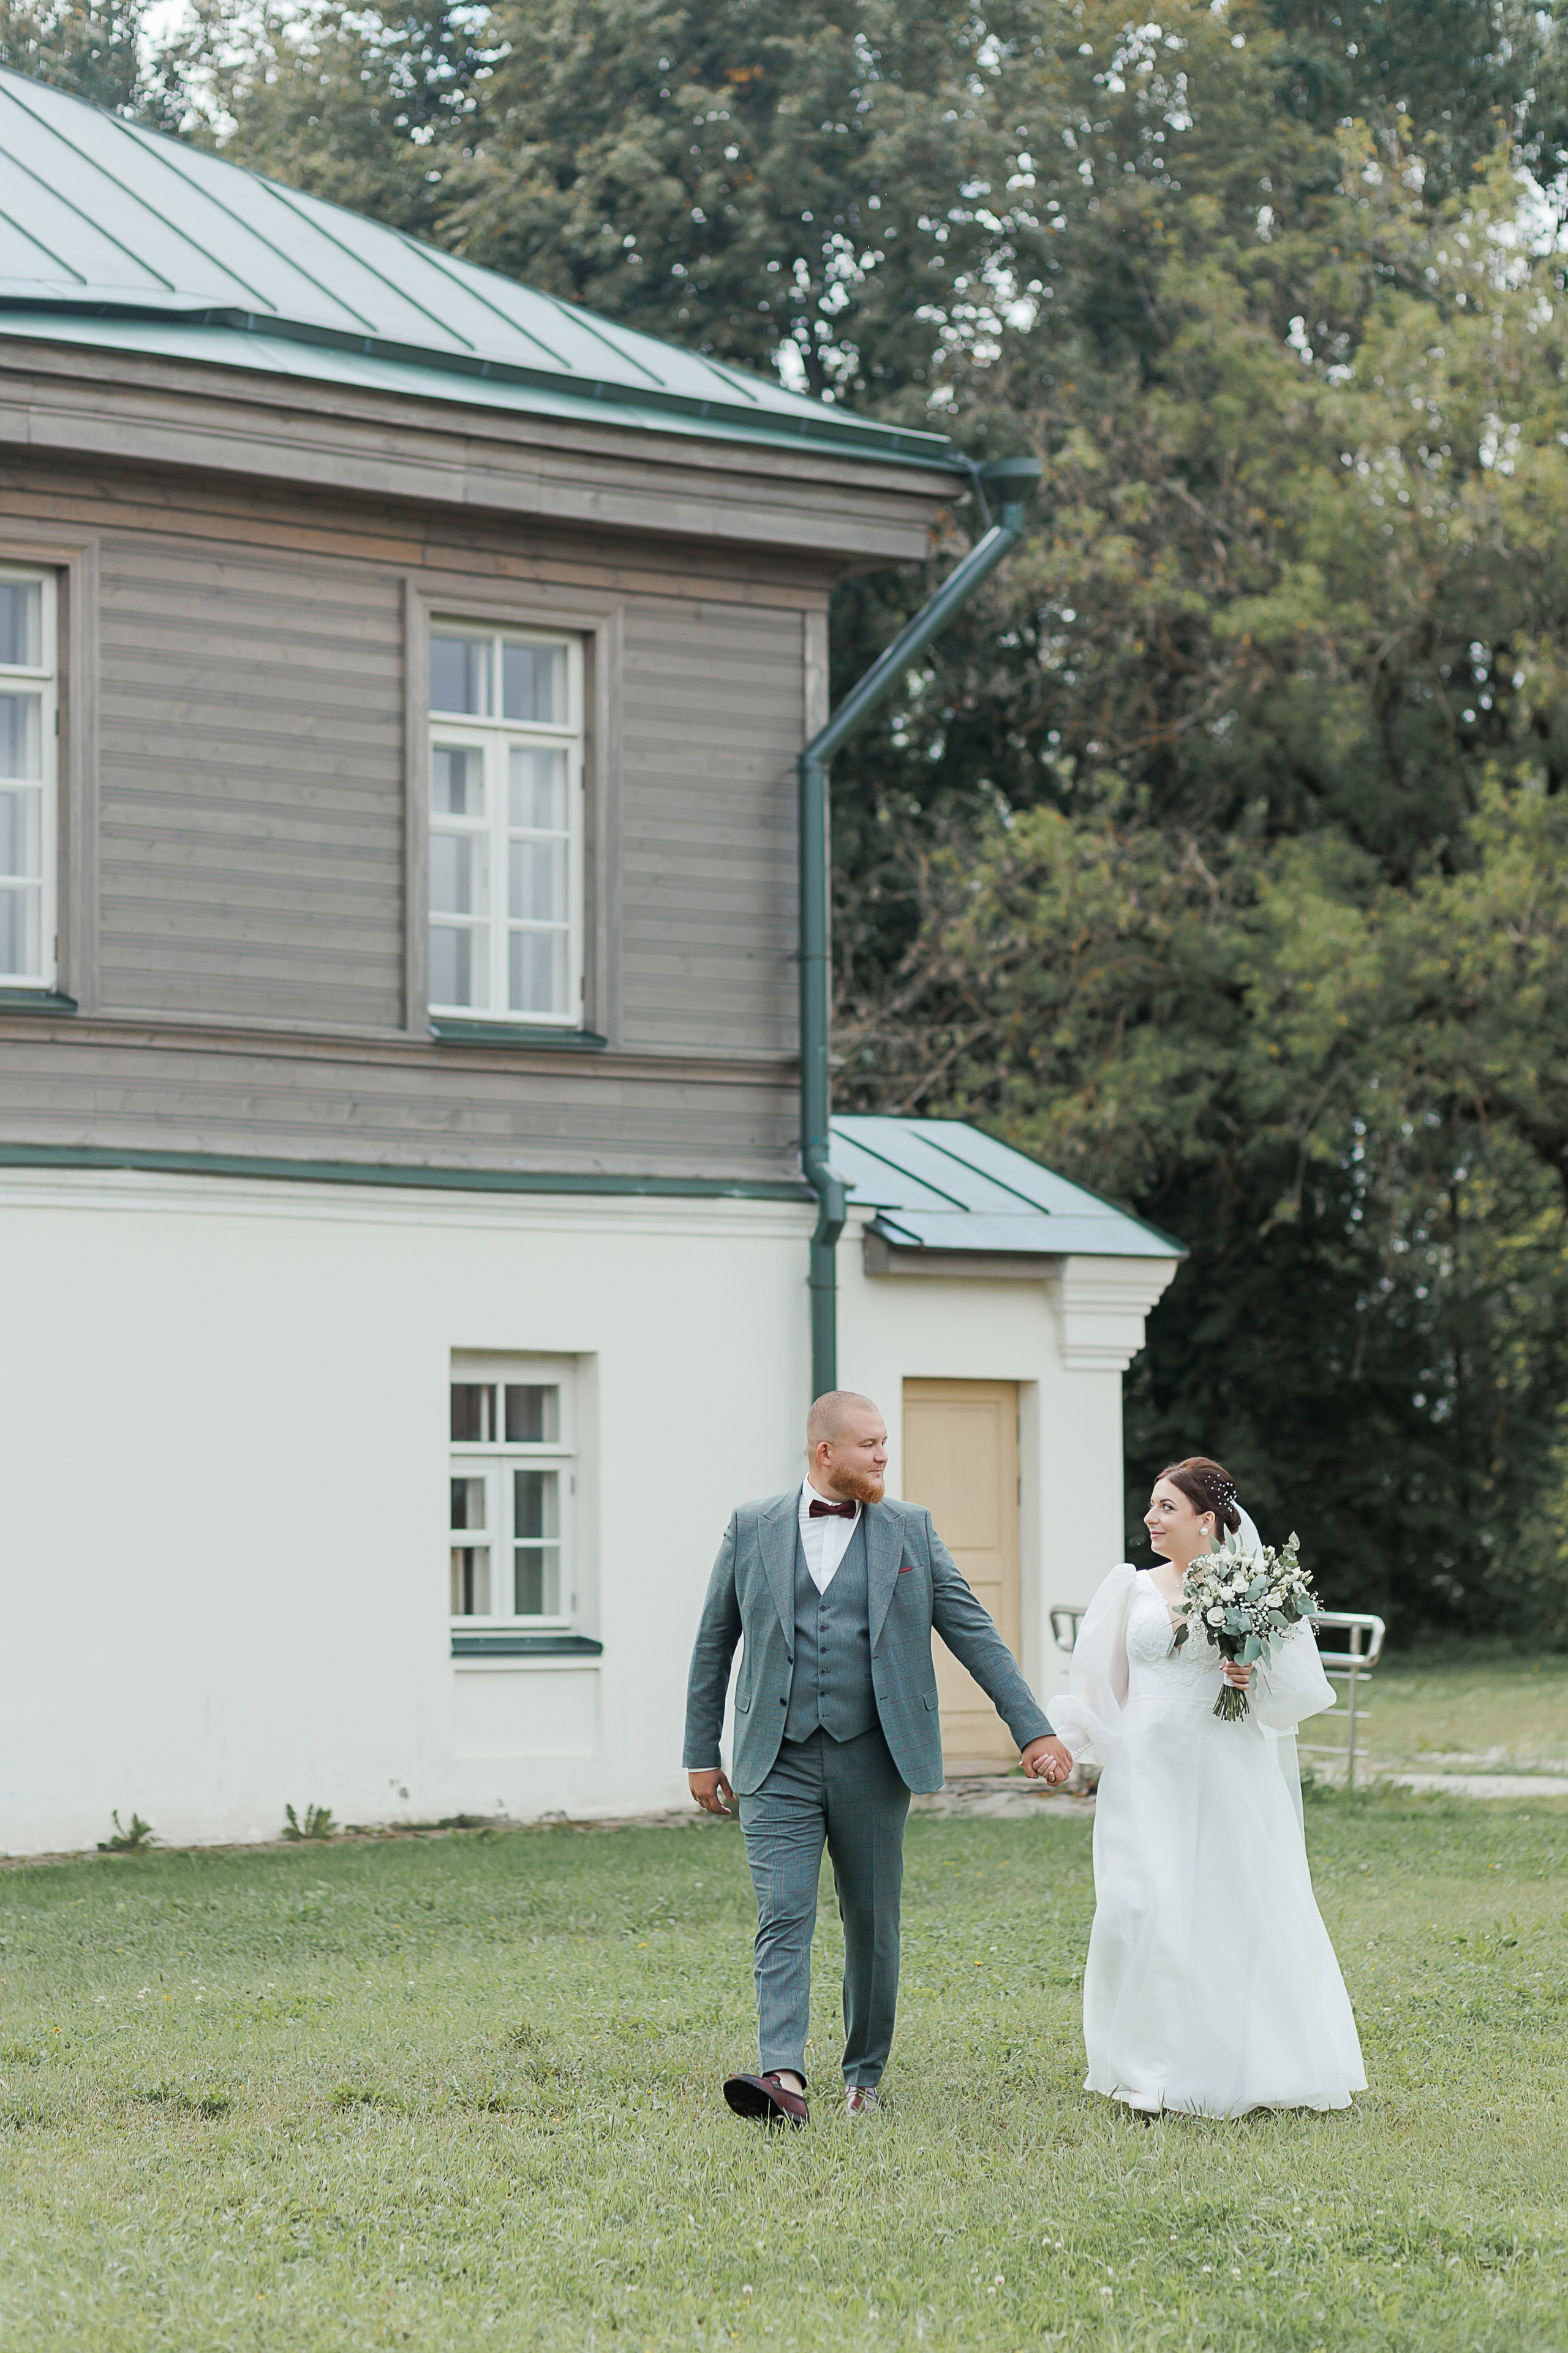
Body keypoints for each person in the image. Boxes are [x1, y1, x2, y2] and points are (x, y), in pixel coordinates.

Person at [684, 1389, 1072, 2128]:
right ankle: (784, 2077)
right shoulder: (751, 1525)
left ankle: (862, 2076)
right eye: (868, 1445)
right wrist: (701, 1752)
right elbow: (714, 1642)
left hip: (875, 1757)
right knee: (782, 1914)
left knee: (870, 1921)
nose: (882, 1456)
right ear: (824, 1452)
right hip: (775, 1756)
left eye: (885, 1443)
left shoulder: (910, 1531)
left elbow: (974, 1633)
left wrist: (1034, 1729)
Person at [1048, 1456, 1367, 2118]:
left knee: (1226, 1903)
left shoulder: (1253, 1587)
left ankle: (1226, 2066)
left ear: (1206, 1519)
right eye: (1152, 1505)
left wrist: (1251, 1679)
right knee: (1137, 1903)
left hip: (1224, 1764)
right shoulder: (1128, 1587)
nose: (1151, 1518)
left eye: (1166, 1506)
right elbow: (1099, 1688)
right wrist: (1062, 1745)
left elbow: (1294, 1691)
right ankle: (1144, 2067)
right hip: (1145, 1769)